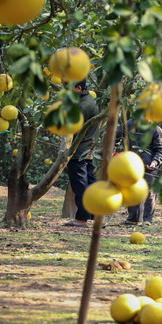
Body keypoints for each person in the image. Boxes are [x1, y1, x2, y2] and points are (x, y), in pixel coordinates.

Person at [62, 80, 101, 227]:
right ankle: (95, 216)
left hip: (79, 151)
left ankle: (82, 219)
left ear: (78, 88)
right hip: (89, 149)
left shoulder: (82, 106)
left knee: (80, 185)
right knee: (90, 184)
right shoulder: (88, 99)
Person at [116, 119, 162, 226]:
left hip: (149, 167)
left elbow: (161, 149)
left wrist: (154, 162)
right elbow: (114, 135)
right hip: (131, 164)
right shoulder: (128, 125)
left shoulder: (156, 130)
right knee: (131, 189)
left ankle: (147, 219)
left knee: (148, 192)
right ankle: (133, 218)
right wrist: (113, 151)